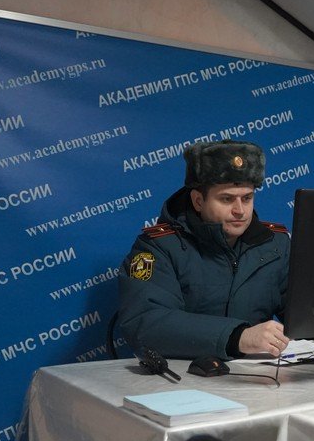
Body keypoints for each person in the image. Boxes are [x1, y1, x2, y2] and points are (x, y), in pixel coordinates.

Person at [117, 140, 292, 360]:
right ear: (198, 201)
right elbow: (146, 324)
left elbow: (305, 313)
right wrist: (238, 337)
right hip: (185, 376)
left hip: (259, 374)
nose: (240, 210)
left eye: (247, 198)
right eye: (227, 199)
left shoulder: (275, 243)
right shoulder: (157, 247)